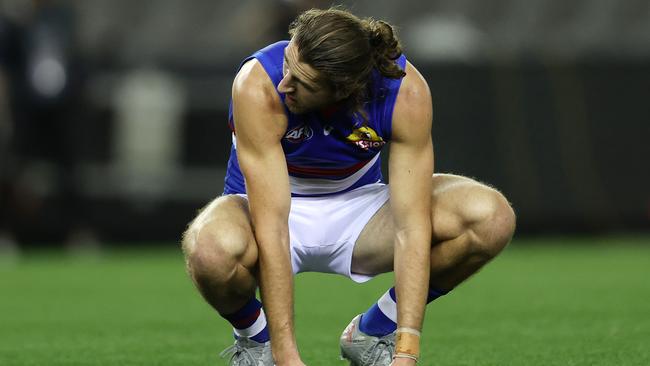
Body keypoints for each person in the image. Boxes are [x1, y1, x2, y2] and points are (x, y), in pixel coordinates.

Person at [182, 8, 515, 366]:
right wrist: (287, 357)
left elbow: (410, 227)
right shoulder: (258, 82)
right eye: (289, 66)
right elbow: (272, 225)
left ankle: (373, 330)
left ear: (344, 91)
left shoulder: (405, 92)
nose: (285, 85)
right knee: (210, 252)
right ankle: (254, 339)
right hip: (262, 209)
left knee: (490, 218)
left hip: (360, 209)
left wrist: (407, 351)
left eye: (303, 83)